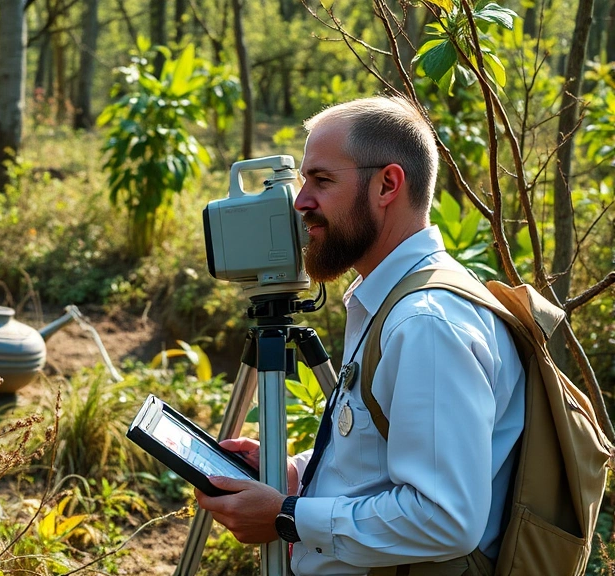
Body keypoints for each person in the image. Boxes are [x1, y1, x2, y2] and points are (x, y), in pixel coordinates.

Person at [194, 96, 526, 575]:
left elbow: (445, 518)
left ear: (387, 184)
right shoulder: (390, 298)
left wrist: (287, 517)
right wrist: (297, 473)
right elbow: (380, 454)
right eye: (304, 179)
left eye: (322, 180)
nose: (301, 201)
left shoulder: (425, 323)